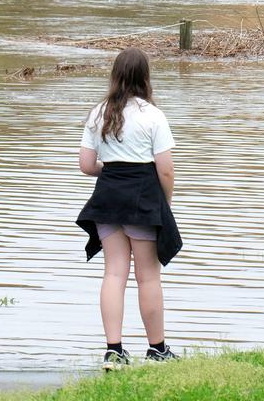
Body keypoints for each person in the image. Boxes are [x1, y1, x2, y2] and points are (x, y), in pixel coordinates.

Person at [76, 47, 182, 371]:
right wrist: (166, 201)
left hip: (107, 198)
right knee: (148, 278)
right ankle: (157, 349)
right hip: (142, 198)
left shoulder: (99, 113)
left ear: (116, 76)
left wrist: (108, 170)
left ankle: (114, 351)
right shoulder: (153, 115)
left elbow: (85, 165)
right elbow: (165, 169)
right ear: (145, 77)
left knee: (113, 273)